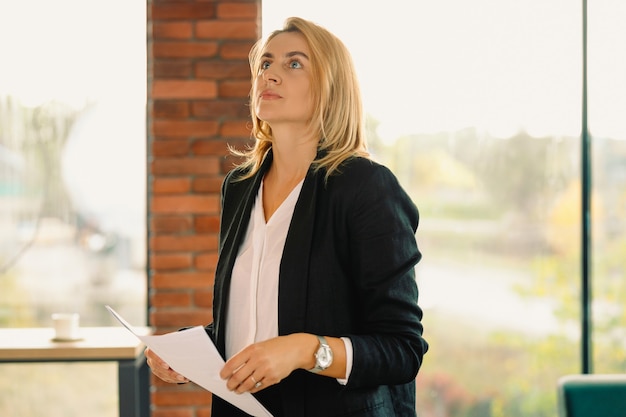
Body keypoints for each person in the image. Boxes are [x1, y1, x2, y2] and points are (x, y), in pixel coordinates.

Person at [146, 16, 428, 417]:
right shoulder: (239, 186)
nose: (271, 75)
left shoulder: (366, 188)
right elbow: (255, 320)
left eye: (293, 63)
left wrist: (305, 350)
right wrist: (188, 352)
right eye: (265, 63)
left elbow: (403, 349)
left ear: (332, 88)